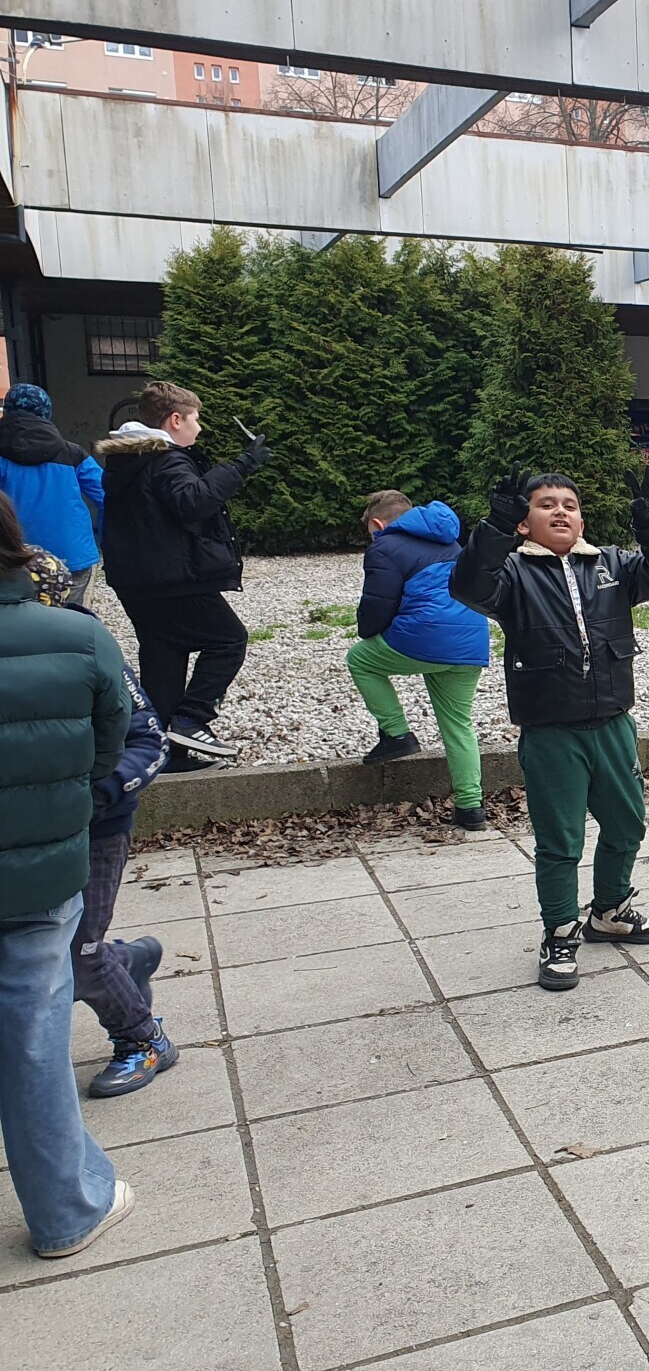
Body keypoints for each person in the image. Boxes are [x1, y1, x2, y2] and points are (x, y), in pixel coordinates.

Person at [451, 466, 649, 992]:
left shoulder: (612, 565)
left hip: (613, 725)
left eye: (570, 505)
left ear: (581, 520)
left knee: (627, 826)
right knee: (561, 841)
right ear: (524, 522)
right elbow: (468, 585)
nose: (560, 511)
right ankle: (559, 933)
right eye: (546, 504)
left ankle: (610, 910)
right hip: (552, 732)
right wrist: (495, 525)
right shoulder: (512, 574)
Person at [0, 492, 136, 1258]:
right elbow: (107, 746)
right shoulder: (79, 637)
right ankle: (64, 1209)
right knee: (31, 1040)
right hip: (37, 871)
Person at [20, 548, 177, 1097]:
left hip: (96, 828)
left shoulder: (88, 648)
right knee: (43, 953)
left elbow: (149, 741)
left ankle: (143, 1039)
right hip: (24, 834)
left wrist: (95, 795)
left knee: (77, 955)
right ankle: (129, 960)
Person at [94, 381, 271, 767]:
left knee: (164, 657)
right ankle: (193, 717)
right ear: (175, 420)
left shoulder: (128, 459)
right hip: (173, 580)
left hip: (135, 582)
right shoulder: (166, 459)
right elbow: (193, 502)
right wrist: (243, 464)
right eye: (195, 418)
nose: (199, 427)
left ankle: (164, 754)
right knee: (229, 639)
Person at [348, 490, 492, 830]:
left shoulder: (384, 546)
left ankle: (397, 733)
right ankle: (471, 808)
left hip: (424, 637)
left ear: (378, 524)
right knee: (458, 724)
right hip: (471, 640)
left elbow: (378, 604)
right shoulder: (452, 542)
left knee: (360, 660)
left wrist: (367, 632)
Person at [0, 383, 104, 606]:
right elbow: (108, 496)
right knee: (71, 620)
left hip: (13, 558)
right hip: (72, 553)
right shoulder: (73, 453)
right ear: (46, 413)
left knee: (17, 621)